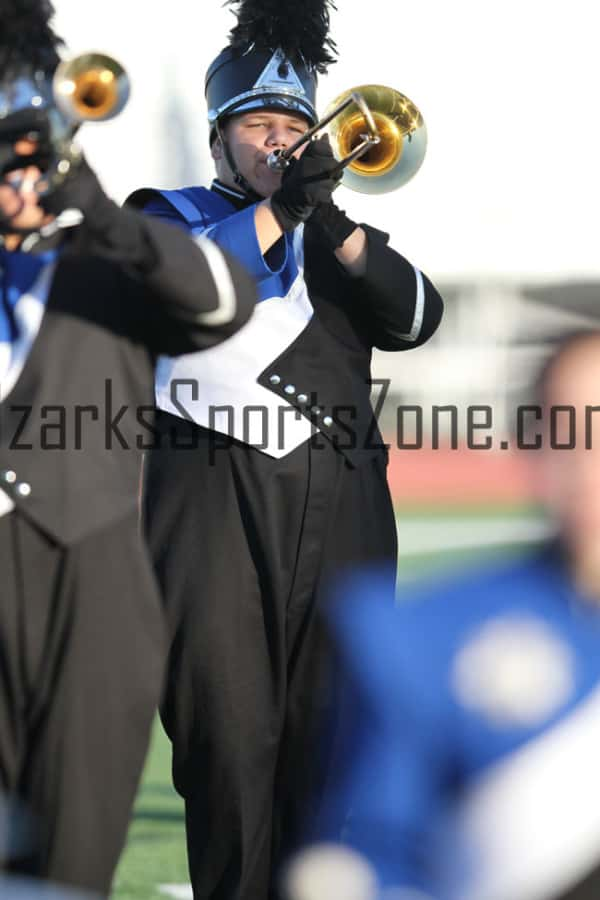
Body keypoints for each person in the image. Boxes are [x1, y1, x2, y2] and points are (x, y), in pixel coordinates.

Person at [129, 1, 444, 897]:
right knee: (226, 745)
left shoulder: (334, 238)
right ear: (220, 141)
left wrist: (334, 220)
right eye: (258, 129)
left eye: (294, 129)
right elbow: (192, 290)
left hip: (344, 511)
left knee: (328, 746)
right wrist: (286, 210)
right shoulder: (164, 215)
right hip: (209, 511)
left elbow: (419, 315)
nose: (278, 144)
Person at [0, 1, 256, 895]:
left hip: (94, 579)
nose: (16, 181)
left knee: (72, 862)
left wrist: (96, 211)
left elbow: (223, 301)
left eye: (33, 159)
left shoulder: (112, 262)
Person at [296, 330, 600, 900]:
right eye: (569, 433)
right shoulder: (417, 636)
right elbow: (378, 850)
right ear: (530, 446)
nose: (588, 464)